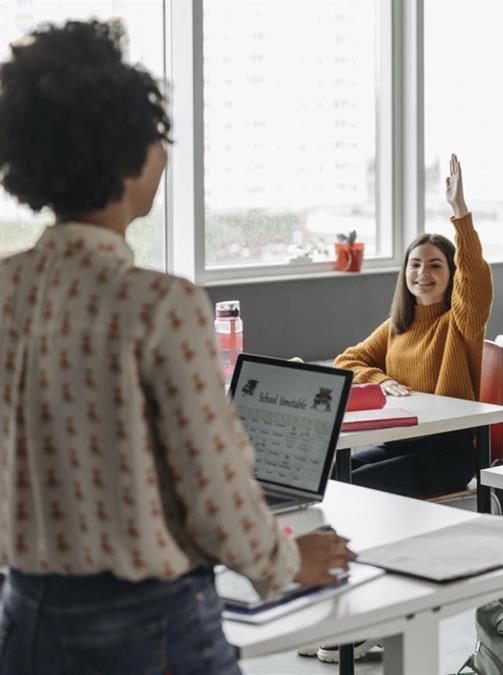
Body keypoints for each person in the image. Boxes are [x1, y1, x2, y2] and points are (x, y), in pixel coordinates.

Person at [0, 21, 353, 675]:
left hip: (26, 615)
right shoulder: (161, 305)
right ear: (127, 161)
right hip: (149, 628)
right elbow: (214, 488)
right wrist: (286, 562)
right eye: (156, 135)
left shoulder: (7, 289)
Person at [333, 154, 493, 499]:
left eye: (436, 266)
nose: (423, 274)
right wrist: (382, 380)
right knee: (327, 475)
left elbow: (476, 279)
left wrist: (460, 212)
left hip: (446, 457)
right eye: (415, 264)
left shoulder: (461, 322)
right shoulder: (397, 326)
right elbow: (346, 361)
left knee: (351, 489)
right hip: (399, 445)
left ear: (451, 275)